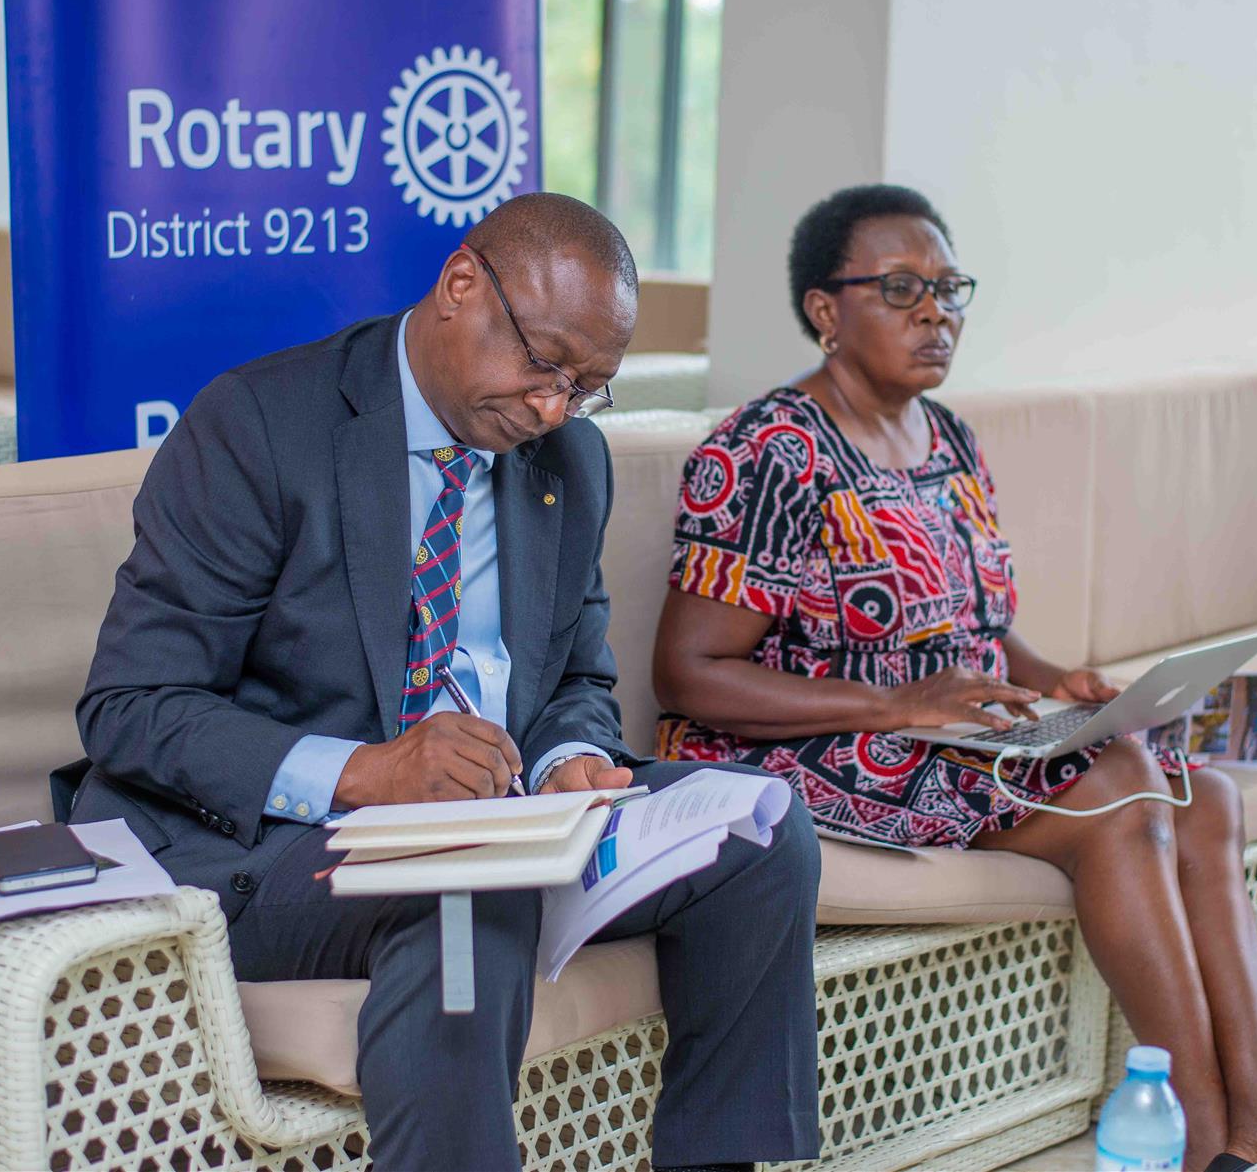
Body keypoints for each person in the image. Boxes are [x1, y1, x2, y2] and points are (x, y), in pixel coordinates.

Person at [67, 192, 822, 1172]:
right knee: (468, 893)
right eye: (544, 363)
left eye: (586, 387)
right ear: (461, 284)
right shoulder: (261, 426)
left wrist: (568, 758)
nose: (552, 407)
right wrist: (366, 773)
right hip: (274, 846)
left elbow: (576, 674)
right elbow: (131, 709)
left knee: (760, 829)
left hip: (503, 823)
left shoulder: (568, 461)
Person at [651, 184, 1257, 1172]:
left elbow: (983, 637)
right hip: (802, 746)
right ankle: (1198, 1142)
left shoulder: (949, 439)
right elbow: (690, 673)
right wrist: (899, 704)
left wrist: (1059, 681)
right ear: (826, 310)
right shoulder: (770, 450)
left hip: (940, 734)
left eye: (949, 288)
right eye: (901, 289)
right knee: (1124, 793)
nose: (936, 312)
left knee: (1204, 794)